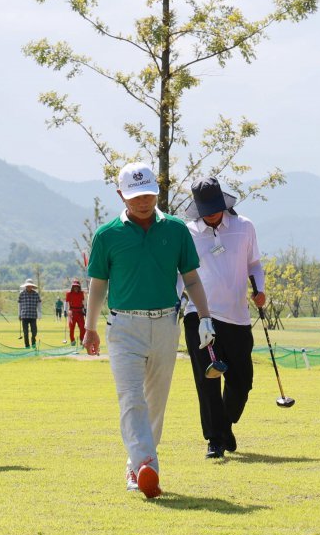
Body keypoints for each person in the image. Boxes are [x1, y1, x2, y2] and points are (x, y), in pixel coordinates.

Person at [83, 162, 212, 499]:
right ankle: (146, 466)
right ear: (121, 195)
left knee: (155, 401)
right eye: (136, 195)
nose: (143, 201)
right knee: (131, 399)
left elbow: (193, 279)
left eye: (149, 194)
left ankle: (137, 464)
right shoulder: (107, 234)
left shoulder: (176, 229)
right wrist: (90, 327)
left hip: (165, 324)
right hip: (124, 325)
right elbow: (97, 284)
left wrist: (206, 317)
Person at [180, 176, 265, 460]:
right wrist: (174, 305)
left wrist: (260, 289)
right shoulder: (188, 233)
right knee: (208, 380)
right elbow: (180, 274)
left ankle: (225, 425)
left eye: (215, 207)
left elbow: (254, 263)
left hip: (238, 317)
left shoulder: (245, 227)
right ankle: (214, 440)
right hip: (200, 314)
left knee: (242, 381)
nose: (211, 214)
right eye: (206, 209)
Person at [17, 279, 41, 348]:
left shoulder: (36, 294)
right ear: (26, 286)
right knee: (25, 332)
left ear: (32, 286)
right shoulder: (21, 294)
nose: (29, 287)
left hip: (33, 315)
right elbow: (19, 305)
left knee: (34, 331)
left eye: (30, 286)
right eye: (27, 286)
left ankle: (33, 341)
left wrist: (39, 314)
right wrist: (19, 314)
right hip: (24, 315)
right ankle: (27, 345)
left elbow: (39, 304)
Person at [64, 279, 87, 345]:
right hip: (72, 312)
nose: (76, 288)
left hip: (80, 312)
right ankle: (72, 340)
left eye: (77, 286)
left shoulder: (81, 293)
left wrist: (85, 309)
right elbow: (66, 302)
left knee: (82, 327)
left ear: (79, 287)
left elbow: (84, 302)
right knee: (71, 327)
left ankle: (82, 340)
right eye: (74, 286)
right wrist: (65, 310)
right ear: (72, 287)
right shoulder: (69, 294)